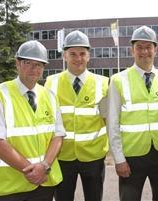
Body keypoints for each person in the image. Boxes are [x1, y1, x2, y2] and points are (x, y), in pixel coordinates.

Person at [0, 40, 65, 201]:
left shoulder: (50, 96)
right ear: (17, 64)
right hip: (9, 186)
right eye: (28, 63)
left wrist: (44, 166)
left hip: (44, 184)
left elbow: (58, 136)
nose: (34, 69)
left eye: (39, 65)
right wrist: (32, 171)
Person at [107, 25, 158, 201]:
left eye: (148, 47)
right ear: (132, 50)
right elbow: (112, 123)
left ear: (156, 50)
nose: (144, 51)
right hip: (131, 156)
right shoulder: (118, 80)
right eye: (139, 47)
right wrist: (119, 158)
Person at [45, 30, 109, 201]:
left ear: (89, 56)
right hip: (62, 156)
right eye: (72, 54)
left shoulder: (103, 83)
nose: (78, 58)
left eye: (82, 53)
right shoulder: (51, 82)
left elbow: (109, 120)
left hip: (93, 156)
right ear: (64, 56)